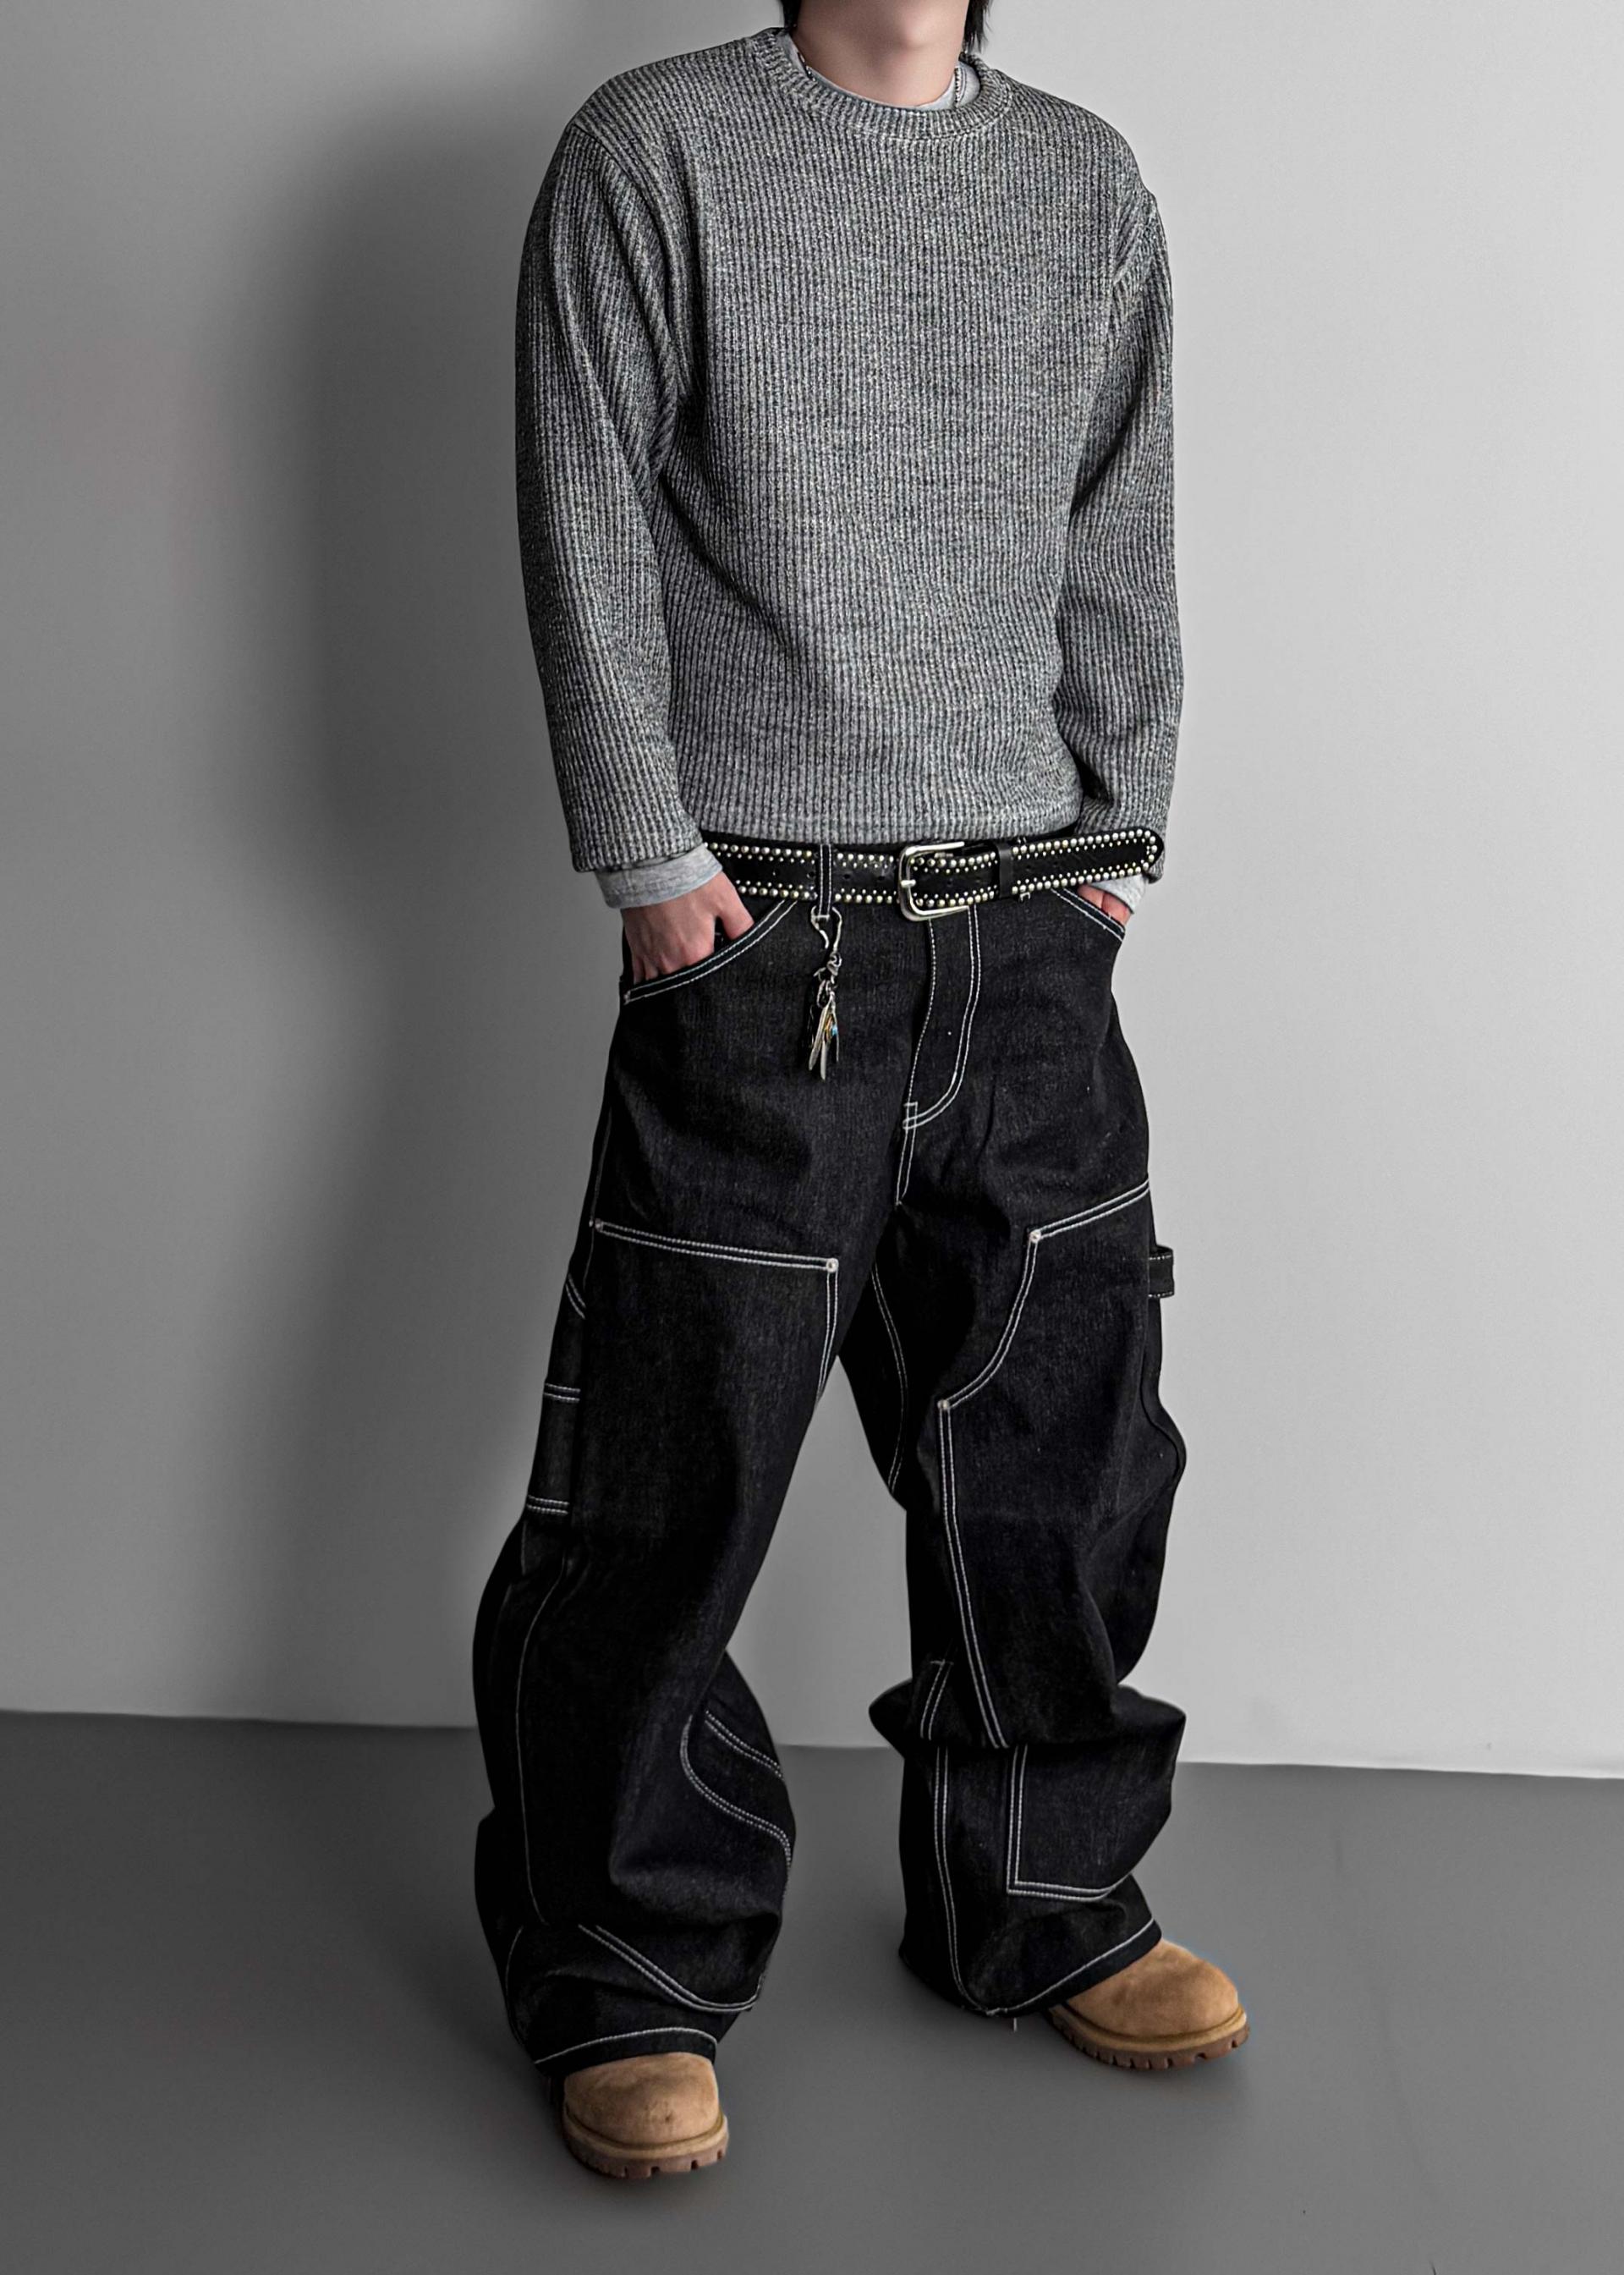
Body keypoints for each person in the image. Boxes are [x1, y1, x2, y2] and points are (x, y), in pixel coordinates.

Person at [472, 0, 1248, 2181]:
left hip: (1025, 927)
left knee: (1065, 1451)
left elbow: (1121, 525)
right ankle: (624, 1968)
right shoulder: (654, 150)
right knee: (673, 1481)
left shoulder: (1080, 179)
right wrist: (651, 863)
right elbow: (583, 504)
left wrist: (1116, 845)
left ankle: (1047, 1899)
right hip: (761, 934)